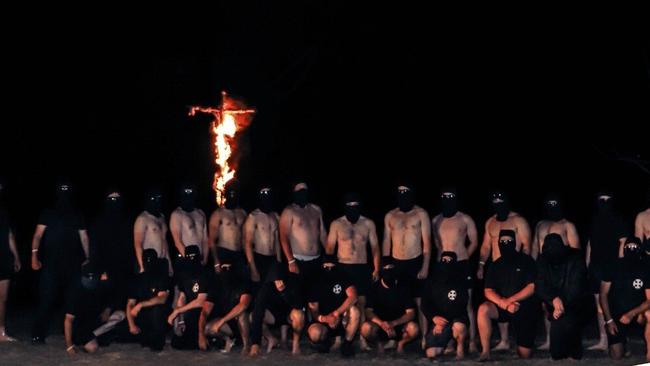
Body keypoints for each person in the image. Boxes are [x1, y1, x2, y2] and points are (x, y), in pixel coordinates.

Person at [31, 181, 90, 344]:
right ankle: (38, 334)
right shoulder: (48, 212)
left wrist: (88, 258)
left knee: (72, 300)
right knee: (47, 299)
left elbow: (84, 237)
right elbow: (37, 235)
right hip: (51, 263)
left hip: (73, 264)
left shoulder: (77, 213)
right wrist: (34, 255)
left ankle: (69, 334)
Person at [476, 191, 531, 351]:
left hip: (517, 269)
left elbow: (527, 245)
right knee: (497, 300)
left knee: (516, 302)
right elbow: (486, 246)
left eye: (501, 200)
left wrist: (524, 268)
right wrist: (480, 264)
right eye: (495, 201)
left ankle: (522, 340)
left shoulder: (518, 220)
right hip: (496, 269)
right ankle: (504, 340)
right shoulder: (490, 222)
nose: (498, 203)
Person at [326, 192, 380, 350]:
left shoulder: (368, 223)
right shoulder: (337, 224)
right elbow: (330, 248)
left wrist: (376, 268)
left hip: (362, 267)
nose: (353, 209)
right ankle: (338, 339)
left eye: (356, 206)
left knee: (361, 303)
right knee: (341, 303)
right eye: (349, 206)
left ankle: (362, 339)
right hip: (342, 267)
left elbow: (375, 248)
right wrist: (329, 270)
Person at [477, 230, 539, 362]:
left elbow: (532, 287)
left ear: (515, 243)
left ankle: (522, 344)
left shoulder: (526, 261)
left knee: (525, 354)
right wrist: (502, 302)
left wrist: (511, 300)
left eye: (509, 241)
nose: (506, 244)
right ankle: (485, 351)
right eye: (502, 242)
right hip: (503, 306)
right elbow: (488, 290)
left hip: (523, 307)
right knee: (483, 309)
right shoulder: (495, 265)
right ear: (498, 243)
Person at [382, 184, 431, 348]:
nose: (403, 195)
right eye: (400, 192)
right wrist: (385, 265)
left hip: (415, 261)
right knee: (396, 300)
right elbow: (386, 241)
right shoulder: (391, 215)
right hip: (396, 262)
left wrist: (425, 266)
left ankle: (424, 337)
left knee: (420, 301)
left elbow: (427, 242)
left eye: (406, 192)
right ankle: (393, 337)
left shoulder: (421, 213)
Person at [431, 187, 479, 351]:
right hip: (443, 266)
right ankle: (450, 340)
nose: (447, 200)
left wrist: (464, 257)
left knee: (467, 303)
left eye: (450, 197)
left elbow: (474, 241)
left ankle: (472, 341)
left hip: (462, 264)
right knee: (445, 303)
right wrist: (440, 262)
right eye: (444, 197)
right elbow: (437, 243)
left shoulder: (465, 218)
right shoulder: (436, 220)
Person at [531, 194, 580, 350]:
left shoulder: (568, 225)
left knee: (565, 303)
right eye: (549, 205)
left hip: (563, 270)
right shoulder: (540, 224)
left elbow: (575, 251)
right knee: (546, 304)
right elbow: (534, 247)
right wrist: (532, 268)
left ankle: (567, 340)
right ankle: (549, 339)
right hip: (544, 267)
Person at [535, 233, 592, 360]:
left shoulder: (575, 258)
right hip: (554, 304)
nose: (553, 252)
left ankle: (574, 348)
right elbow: (539, 284)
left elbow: (577, 286)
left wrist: (561, 305)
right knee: (557, 354)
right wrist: (553, 299)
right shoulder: (543, 259)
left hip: (577, 303)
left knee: (570, 325)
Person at [586, 191, 627, 351]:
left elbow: (623, 242)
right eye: (601, 199)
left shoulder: (618, 219)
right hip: (596, 266)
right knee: (598, 304)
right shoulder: (594, 220)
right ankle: (603, 339)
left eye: (607, 200)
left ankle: (621, 338)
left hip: (613, 267)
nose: (604, 202)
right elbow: (590, 242)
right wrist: (588, 263)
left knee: (615, 302)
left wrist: (621, 265)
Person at [600, 237, 650, 361]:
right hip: (618, 315)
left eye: (635, 247)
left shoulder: (646, 268)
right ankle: (624, 342)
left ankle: (649, 351)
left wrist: (632, 314)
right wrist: (609, 320)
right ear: (624, 249)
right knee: (616, 356)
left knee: (649, 314)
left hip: (638, 314)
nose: (631, 250)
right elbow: (603, 295)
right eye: (628, 247)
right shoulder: (613, 266)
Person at [89, 189, 134, 325]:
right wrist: (99, 268)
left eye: (117, 198)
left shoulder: (127, 220)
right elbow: (94, 246)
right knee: (102, 299)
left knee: (120, 298)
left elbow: (130, 244)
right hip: (104, 267)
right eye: (111, 198)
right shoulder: (99, 221)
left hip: (123, 266)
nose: (114, 202)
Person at [360, 256, 418, 355]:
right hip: (380, 326)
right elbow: (368, 311)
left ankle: (401, 343)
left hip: (398, 326)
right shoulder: (374, 288)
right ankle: (379, 344)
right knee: (365, 328)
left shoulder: (403, 287)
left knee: (414, 328)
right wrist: (382, 323)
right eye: (385, 269)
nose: (388, 273)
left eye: (390, 269)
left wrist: (393, 323)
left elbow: (411, 313)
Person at [279, 181, 327, 300]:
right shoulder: (289, 211)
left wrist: (329, 255)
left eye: (305, 190)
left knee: (314, 301)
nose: (303, 193)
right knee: (298, 300)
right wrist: (291, 261)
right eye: (299, 191)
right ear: (294, 193)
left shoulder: (316, 210)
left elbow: (322, 234)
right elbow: (283, 236)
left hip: (316, 261)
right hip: (298, 261)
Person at [307, 255, 360, 358]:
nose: (329, 269)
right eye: (326, 267)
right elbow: (314, 311)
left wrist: (336, 314)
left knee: (355, 311)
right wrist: (326, 319)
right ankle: (325, 342)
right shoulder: (315, 281)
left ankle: (347, 344)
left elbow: (354, 297)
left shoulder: (343, 276)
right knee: (315, 333)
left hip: (340, 317)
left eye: (332, 266)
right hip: (323, 320)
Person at [422, 251, 471, 360]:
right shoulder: (432, 281)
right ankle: (447, 344)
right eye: (444, 260)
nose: (446, 263)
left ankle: (459, 347)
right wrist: (434, 318)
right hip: (439, 320)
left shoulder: (460, 281)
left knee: (459, 326)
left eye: (449, 261)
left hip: (455, 319)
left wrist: (443, 322)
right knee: (431, 353)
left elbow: (461, 305)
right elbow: (425, 304)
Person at [249, 262, 305, 356]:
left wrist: (284, 291)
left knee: (299, 315)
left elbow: (299, 305)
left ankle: (295, 346)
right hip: (274, 316)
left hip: (289, 316)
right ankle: (271, 339)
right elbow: (258, 311)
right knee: (253, 316)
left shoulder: (293, 281)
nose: (278, 282)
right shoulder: (266, 287)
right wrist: (255, 344)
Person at [199, 259, 252, 353]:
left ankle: (246, 345)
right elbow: (204, 312)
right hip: (228, 325)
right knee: (206, 328)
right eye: (224, 268)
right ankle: (228, 339)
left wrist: (221, 321)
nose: (227, 270)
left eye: (229, 268)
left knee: (242, 315)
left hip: (246, 323)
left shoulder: (243, 284)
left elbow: (243, 305)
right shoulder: (217, 286)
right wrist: (201, 335)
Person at [124, 249, 171, 351]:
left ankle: (157, 341)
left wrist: (141, 304)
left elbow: (162, 298)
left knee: (157, 309)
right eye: (146, 260)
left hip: (157, 316)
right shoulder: (137, 280)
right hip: (142, 316)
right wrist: (131, 325)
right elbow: (130, 304)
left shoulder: (161, 277)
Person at [168, 245, 210, 350]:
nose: (191, 259)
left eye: (193, 256)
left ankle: (214, 339)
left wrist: (177, 311)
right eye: (189, 256)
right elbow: (182, 297)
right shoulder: (184, 274)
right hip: (189, 311)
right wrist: (181, 320)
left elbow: (201, 301)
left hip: (205, 311)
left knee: (194, 342)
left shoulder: (205, 273)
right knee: (177, 343)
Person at [63, 263, 107, 355]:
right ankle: (82, 341)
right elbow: (68, 320)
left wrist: (107, 309)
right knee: (92, 348)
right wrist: (69, 346)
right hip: (80, 325)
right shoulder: (74, 290)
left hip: (95, 320)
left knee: (120, 315)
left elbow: (111, 296)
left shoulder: (101, 283)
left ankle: (98, 337)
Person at [243, 186, 281, 286]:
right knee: (258, 290)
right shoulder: (253, 217)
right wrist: (253, 268)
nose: (266, 200)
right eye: (264, 197)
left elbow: (277, 240)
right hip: (259, 258)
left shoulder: (276, 216)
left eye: (268, 197)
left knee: (274, 291)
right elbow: (247, 244)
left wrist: (279, 261)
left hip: (273, 259)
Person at [209, 185, 247, 274]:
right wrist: (216, 262)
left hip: (239, 254)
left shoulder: (243, 213)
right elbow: (211, 240)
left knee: (241, 284)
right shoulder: (218, 213)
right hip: (224, 253)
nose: (232, 196)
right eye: (230, 193)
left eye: (235, 193)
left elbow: (246, 238)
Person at [0, 181, 20, 342]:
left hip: (4, 258)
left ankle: (1, 332)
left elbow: (9, 235)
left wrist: (16, 256)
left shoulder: (3, 212)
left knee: (3, 298)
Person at [134, 189, 171, 274]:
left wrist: (169, 264)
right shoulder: (142, 218)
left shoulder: (162, 217)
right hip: (149, 263)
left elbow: (164, 242)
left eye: (159, 199)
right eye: (155, 199)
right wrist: (142, 266)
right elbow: (137, 243)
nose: (157, 201)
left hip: (162, 262)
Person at [170, 184, 208, 264]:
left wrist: (205, 258)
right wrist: (189, 259)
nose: (188, 198)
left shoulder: (200, 214)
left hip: (200, 259)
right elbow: (177, 242)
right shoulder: (177, 215)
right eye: (186, 195)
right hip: (185, 259)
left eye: (191, 195)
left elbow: (205, 240)